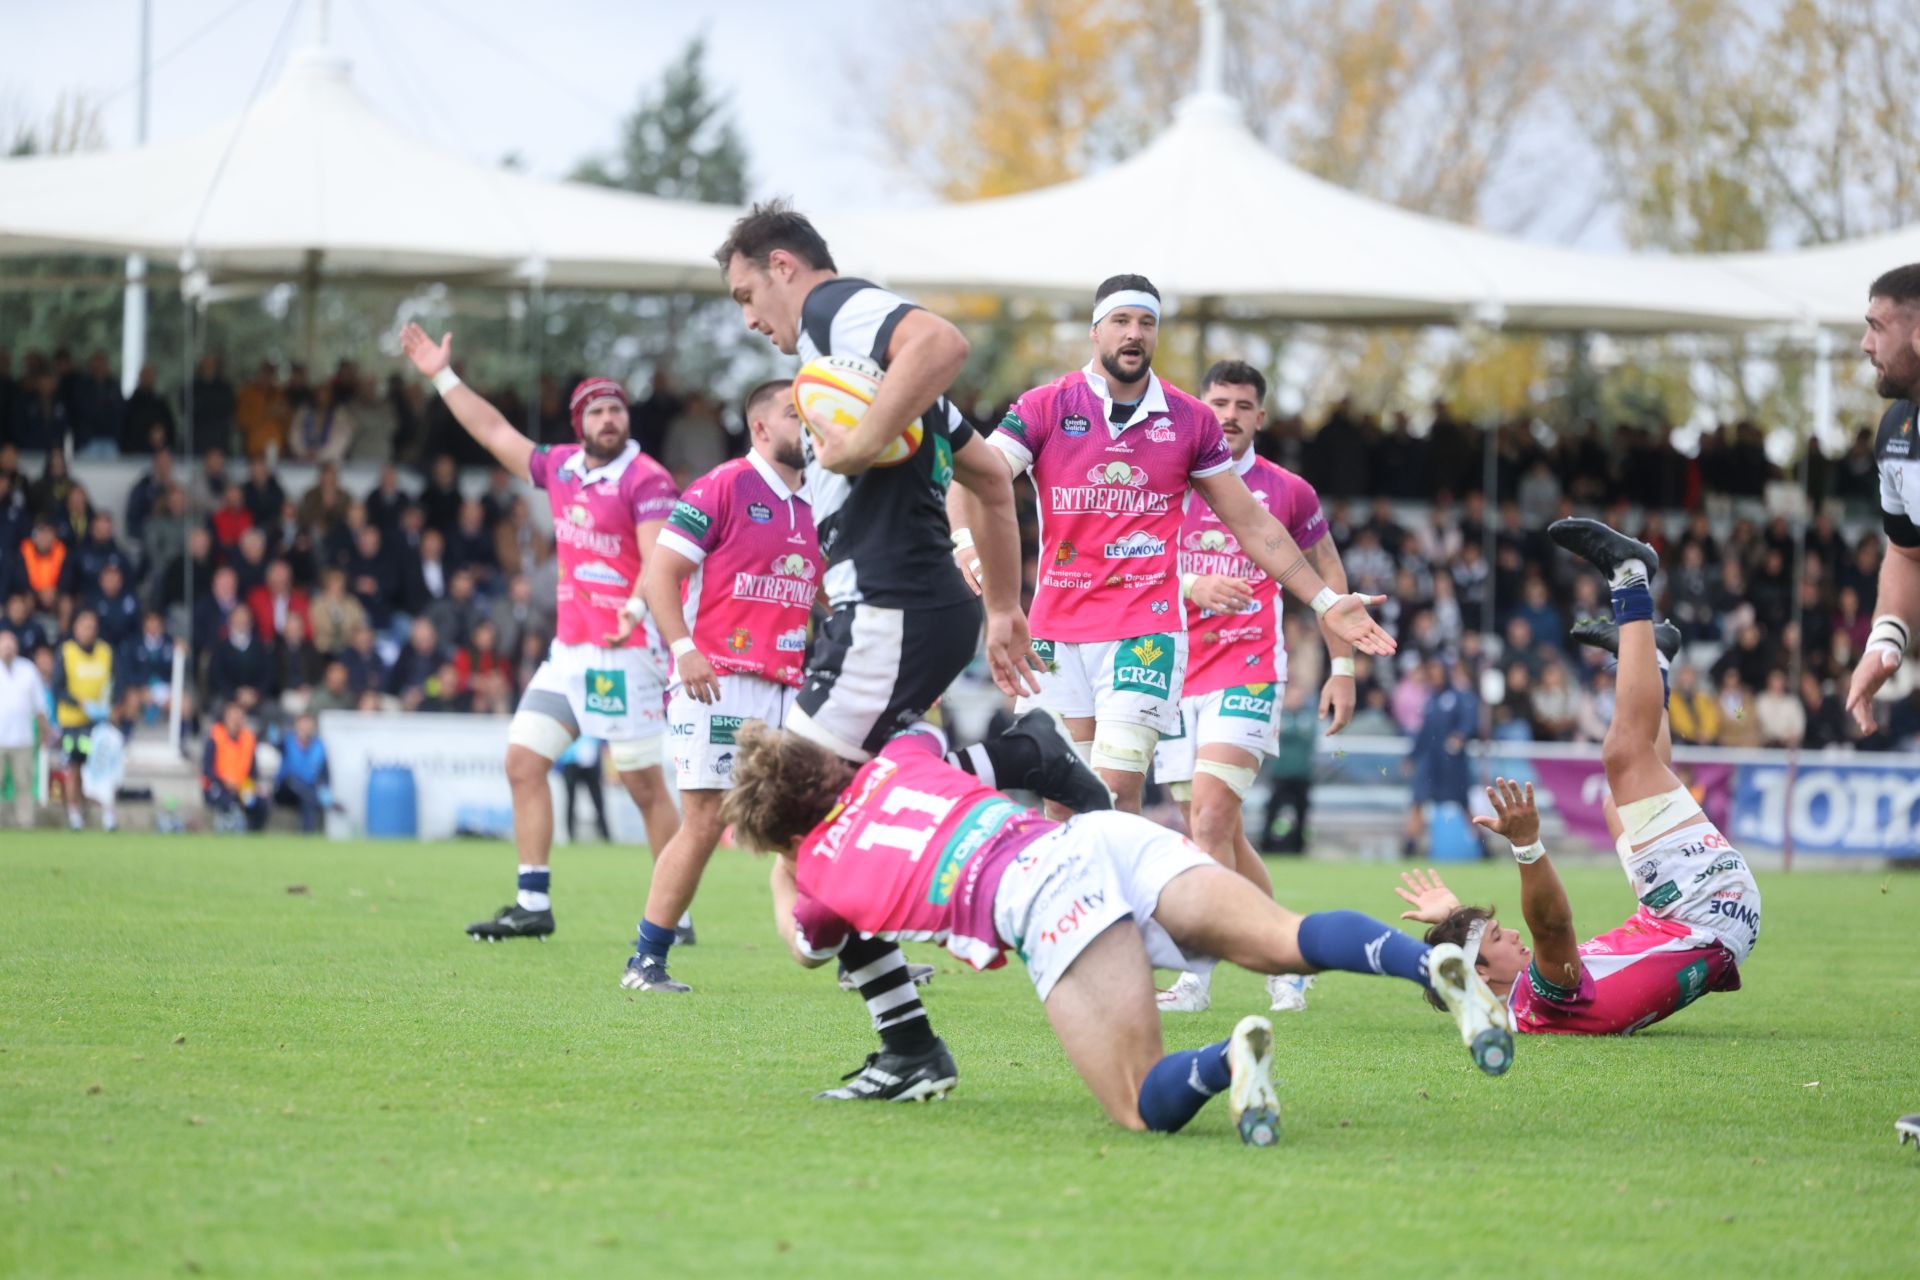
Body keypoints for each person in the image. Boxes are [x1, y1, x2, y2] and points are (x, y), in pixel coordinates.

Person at [716, 200, 1108, 1099]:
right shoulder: (866, 374)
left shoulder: (833, 315)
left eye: (747, 294)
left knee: (793, 820)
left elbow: (939, 341)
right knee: (830, 818)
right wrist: (1004, 609)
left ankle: (911, 1043)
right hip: (914, 610)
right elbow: (991, 480)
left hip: (885, 612)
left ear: (783, 266)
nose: (750, 319)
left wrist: (850, 447)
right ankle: (1011, 756)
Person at [723, 720, 1513, 1139]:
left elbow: (806, 949)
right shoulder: (901, 758)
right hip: (1093, 837)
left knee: (1138, 1104)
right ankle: (1425, 962)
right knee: (1284, 934)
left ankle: (1225, 1061)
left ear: (786, 830)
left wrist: (784, 871)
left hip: (1042, 897)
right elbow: (954, 735)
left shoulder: (818, 870)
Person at [949, 276, 1393, 818]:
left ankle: (1128, 905)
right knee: (1063, 799)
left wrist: (1324, 602)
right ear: (1095, 331)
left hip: (1145, 627)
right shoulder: (1046, 406)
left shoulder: (1190, 419)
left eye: (1146, 323)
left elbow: (1252, 524)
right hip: (1054, 629)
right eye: (1121, 321)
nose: (1134, 334)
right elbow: (975, 476)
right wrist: (964, 544)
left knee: (1114, 790)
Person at [1397, 519, 1760, 1036]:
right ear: (1482, 974)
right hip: (1705, 909)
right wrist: (1526, 846)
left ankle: (1652, 655)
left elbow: (1498, 953)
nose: (1515, 938)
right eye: (1499, 938)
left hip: (1693, 919)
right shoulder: (1541, 999)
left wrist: (1454, 915)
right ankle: (1631, 577)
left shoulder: (1517, 1008)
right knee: (1622, 753)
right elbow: (1552, 925)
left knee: (1625, 802)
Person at [400, 323, 683, 943]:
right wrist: (443, 376)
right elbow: (494, 431)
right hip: (569, 656)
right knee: (523, 762)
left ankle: (674, 911)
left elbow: (659, 561)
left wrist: (636, 611)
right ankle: (533, 904)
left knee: (641, 785)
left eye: (617, 410)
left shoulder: (648, 479)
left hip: (625, 656)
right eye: (598, 411)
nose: (610, 420)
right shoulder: (559, 467)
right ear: (579, 421)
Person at [1147, 360, 1353, 1014]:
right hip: (1172, 673)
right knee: (1221, 835)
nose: (1230, 415)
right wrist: (1189, 586)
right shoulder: (1168, 481)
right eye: (1219, 403)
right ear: (1200, 412)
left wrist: (1342, 669)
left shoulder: (1288, 492)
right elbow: (1125, 562)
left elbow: (1331, 582)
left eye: (1243, 404)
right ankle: (1292, 952)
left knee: (1207, 818)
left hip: (1250, 669)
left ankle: (1194, 977)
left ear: (1261, 417)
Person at [617, 378, 821, 993]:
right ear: (760, 428)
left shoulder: (821, 498)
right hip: (719, 683)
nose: (807, 425)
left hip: (790, 686)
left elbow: (829, 595)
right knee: (704, 820)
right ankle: (645, 961)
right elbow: (659, 576)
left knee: (809, 827)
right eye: (794, 415)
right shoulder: (724, 485)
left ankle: (857, 959)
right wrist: (684, 650)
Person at [52, 609, 113, 831]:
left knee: (102, 768)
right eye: (84, 626)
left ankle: (107, 815)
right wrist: (81, 703)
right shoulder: (66, 652)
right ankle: (74, 815)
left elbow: (115, 682)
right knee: (73, 768)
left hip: (98, 724)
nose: (89, 630)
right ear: (75, 628)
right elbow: (58, 688)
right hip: (72, 723)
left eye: (92, 626)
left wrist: (108, 706)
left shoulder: (105, 652)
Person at [0, 628, 52, 828]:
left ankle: (25, 822)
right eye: (4, 645)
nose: (7, 649)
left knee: (24, 784)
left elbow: (39, 707)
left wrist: (44, 733)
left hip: (23, 739)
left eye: (10, 645)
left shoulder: (28, 670)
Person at [203, 700, 267, 832]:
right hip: (218, 785)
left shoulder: (248, 739)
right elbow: (207, 769)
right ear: (225, 717)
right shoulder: (215, 737)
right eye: (233, 716)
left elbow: (253, 771)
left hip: (241, 786)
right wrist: (224, 781)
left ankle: (253, 833)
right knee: (226, 801)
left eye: (239, 716)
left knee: (259, 803)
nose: (236, 720)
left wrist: (248, 785)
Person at [275, 713, 332, 833]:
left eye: (308, 726)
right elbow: (273, 745)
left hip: (308, 791)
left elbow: (324, 774)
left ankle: (308, 836)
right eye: (303, 726)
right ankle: (317, 800)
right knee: (294, 782)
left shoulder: (319, 746)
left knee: (307, 799)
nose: (306, 730)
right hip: (286, 789)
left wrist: (324, 789)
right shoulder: (286, 742)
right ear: (296, 727)